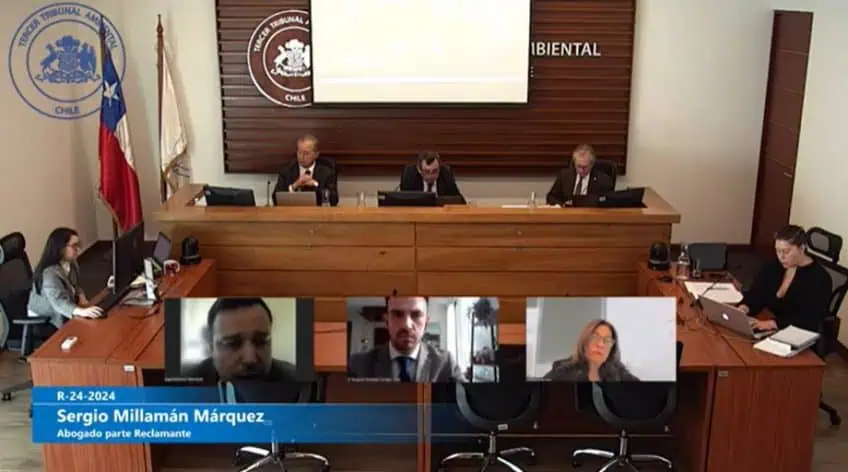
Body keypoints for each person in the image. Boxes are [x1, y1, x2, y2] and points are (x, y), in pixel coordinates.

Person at [347, 296, 465, 382]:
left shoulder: (445, 363)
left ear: (426, 322)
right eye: (397, 314)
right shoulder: (357, 364)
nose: (407, 325)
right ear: (386, 321)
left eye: (416, 315)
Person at [739, 224, 832, 333]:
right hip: (769, 321)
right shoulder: (774, 266)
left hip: (794, 332)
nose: (781, 257)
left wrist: (772, 324)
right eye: (778, 251)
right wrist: (745, 308)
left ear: (802, 248)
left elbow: (808, 319)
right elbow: (757, 292)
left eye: (786, 251)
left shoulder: (819, 279)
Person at [183, 297, 297, 383]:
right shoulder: (185, 383)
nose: (250, 359)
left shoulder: (294, 379)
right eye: (232, 343)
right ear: (211, 347)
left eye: (261, 341)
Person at [28, 227, 102, 328]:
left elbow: (74, 286)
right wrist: (81, 311)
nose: (78, 249)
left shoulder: (72, 263)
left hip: (64, 308)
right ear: (61, 248)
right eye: (74, 246)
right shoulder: (49, 273)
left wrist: (81, 296)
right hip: (46, 319)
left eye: (79, 245)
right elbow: (58, 302)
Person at [543, 319, 639, 382]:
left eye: (607, 340)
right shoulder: (562, 371)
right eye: (595, 337)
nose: (600, 344)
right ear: (585, 341)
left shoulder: (620, 374)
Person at [272, 134, 339, 206]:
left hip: (317, 212)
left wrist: (315, 184)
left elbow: (334, 200)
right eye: (299, 152)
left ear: (316, 154)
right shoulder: (287, 171)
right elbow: (275, 200)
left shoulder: (327, 172)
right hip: (293, 211)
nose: (301, 156)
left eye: (306, 153)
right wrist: (294, 186)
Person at [545, 144, 614, 206]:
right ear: (574, 163)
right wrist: (563, 205)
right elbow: (551, 197)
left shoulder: (603, 181)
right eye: (579, 166)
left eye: (585, 167)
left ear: (592, 164)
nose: (581, 170)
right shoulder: (564, 176)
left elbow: (607, 202)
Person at [399, 151, 464, 200]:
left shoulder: (446, 175)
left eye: (435, 171)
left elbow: (459, 201)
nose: (431, 176)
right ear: (419, 170)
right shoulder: (410, 176)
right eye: (427, 171)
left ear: (439, 169)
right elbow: (403, 202)